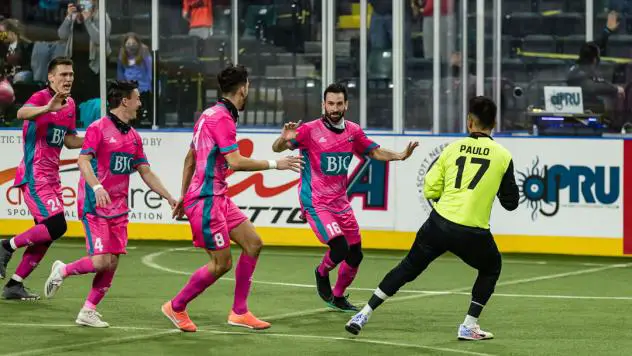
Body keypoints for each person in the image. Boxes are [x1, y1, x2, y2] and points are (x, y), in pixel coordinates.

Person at [345, 96, 519, 340]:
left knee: (408, 267)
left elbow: (430, 190)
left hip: (438, 224)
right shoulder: (503, 156)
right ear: (495, 123)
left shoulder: (451, 149)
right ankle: (469, 325)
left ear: (470, 122)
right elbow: (511, 203)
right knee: (491, 267)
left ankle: (363, 313)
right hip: (472, 232)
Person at [162, 65, 302, 332]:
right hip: (206, 200)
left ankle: (239, 312)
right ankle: (176, 306)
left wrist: (182, 194)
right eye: (248, 86)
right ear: (243, 88)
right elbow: (235, 161)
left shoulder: (210, 114)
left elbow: (190, 157)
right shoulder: (222, 119)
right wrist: (276, 164)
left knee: (253, 243)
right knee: (221, 263)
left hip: (214, 197)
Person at [271, 83, 419, 311]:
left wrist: (400, 155)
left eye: (339, 103)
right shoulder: (309, 130)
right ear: (323, 104)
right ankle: (321, 273)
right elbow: (277, 149)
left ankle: (338, 296)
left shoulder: (353, 131)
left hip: (340, 202)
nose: (335, 108)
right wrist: (283, 139)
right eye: (330, 103)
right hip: (315, 201)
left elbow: (375, 151)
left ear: (346, 105)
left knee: (355, 254)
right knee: (339, 248)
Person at [43, 80, 178, 328]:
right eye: (137, 98)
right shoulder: (98, 128)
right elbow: (83, 161)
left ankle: (88, 310)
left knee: (112, 262)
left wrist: (168, 196)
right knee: (100, 261)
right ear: (125, 101)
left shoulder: (135, 137)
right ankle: (62, 270)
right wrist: (97, 186)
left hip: (119, 208)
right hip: (95, 204)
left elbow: (146, 172)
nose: (140, 103)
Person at [0, 57, 82, 300]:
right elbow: (21, 112)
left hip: (52, 177)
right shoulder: (40, 98)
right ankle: (6, 246)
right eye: (63, 74)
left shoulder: (70, 105)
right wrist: (48, 108)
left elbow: (69, 140)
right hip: (35, 175)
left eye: (71, 74)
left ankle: (15, 284)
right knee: (57, 225)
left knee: (48, 232)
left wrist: (95, 138)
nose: (68, 79)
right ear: (51, 78)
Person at [0, 18, 34, 83]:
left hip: (21, 79)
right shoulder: (2, 46)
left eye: (2, 33)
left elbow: (31, 67)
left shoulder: (28, 46)